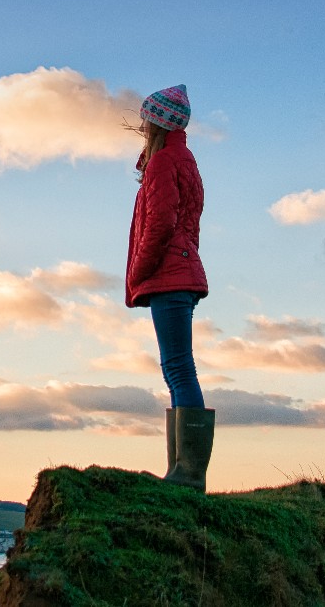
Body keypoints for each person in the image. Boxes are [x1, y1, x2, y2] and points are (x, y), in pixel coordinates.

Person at [125, 84, 213, 492]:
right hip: (182, 272)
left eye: (146, 118)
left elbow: (160, 224)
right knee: (177, 367)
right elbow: (189, 225)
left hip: (169, 276)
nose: (141, 125)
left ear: (156, 121)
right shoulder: (185, 159)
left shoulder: (163, 163)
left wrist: (141, 270)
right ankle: (181, 472)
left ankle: (188, 475)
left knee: (178, 367)